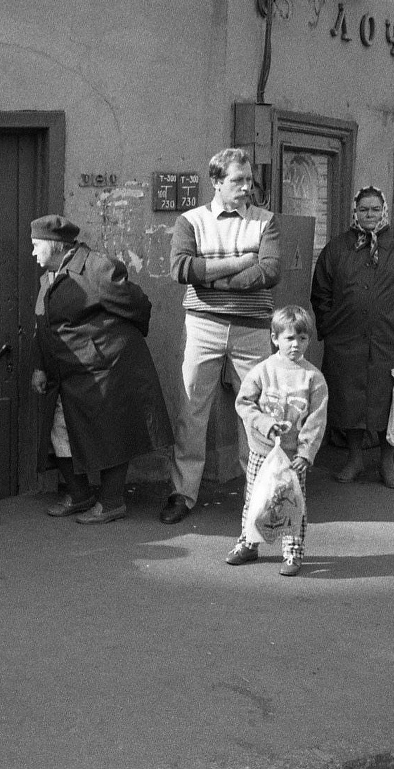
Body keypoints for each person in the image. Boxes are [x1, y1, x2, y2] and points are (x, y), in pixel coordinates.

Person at [163, 147, 281, 525]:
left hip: (252, 330)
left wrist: (215, 277)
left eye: (249, 180)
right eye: (237, 180)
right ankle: (183, 493)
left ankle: (259, 498)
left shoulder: (266, 221)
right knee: (192, 411)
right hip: (204, 326)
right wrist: (239, 263)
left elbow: (271, 270)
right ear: (216, 181)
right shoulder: (190, 221)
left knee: (256, 413)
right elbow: (181, 269)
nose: (246, 187)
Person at [29, 215, 172, 525]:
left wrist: (109, 343)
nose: (33, 253)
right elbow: (44, 326)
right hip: (71, 372)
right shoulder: (50, 276)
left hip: (107, 368)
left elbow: (140, 306)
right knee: (60, 430)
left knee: (111, 431)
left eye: (36, 245)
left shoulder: (96, 268)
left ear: (55, 246)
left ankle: (111, 502)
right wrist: (40, 366)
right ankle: (79, 494)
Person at [311, 185, 394, 489]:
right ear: (355, 212)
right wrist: (330, 326)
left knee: (387, 401)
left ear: (385, 210)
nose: (370, 215)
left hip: (390, 339)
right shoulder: (337, 248)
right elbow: (320, 292)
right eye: (364, 209)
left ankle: (387, 463)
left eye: (375, 209)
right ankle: (354, 458)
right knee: (349, 400)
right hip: (346, 340)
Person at [224, 305, 328, 577]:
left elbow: (316, 420)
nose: (296, 345)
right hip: (262, 451)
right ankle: (249, 542)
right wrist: (265, 424)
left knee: (292, 502)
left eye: (302, 338)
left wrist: (306, 453)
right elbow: (244, 403)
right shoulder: (262, 371)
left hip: (293, 456)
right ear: (275, 338)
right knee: (256, 499)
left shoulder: (313, 378)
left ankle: (292, 551)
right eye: (289, 338)